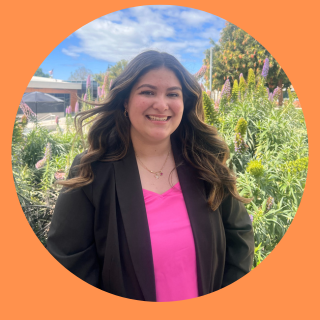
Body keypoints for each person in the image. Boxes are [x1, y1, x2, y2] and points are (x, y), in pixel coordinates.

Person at [46, 50, 254, 302]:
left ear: (184, 102)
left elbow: (239, 238)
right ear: (125, 100)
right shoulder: (92, 171)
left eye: (172, 94)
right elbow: (70, 263)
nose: (161, 104)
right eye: (147, 92)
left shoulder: (206, 164)